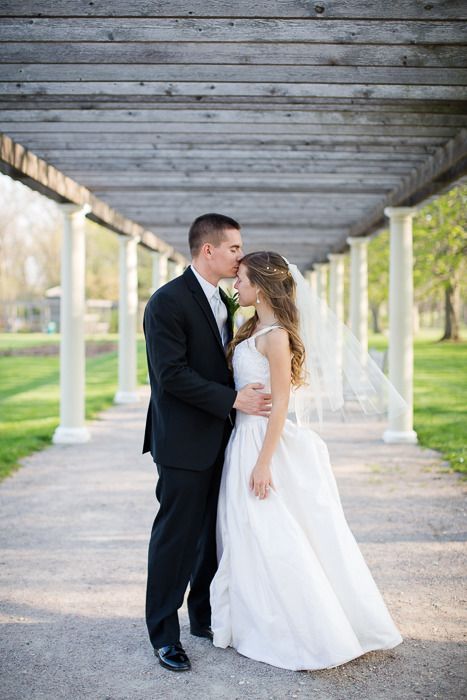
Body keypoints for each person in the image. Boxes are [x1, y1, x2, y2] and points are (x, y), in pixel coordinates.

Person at [210, 251, 403, 671]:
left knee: (272, 533)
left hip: (262, 444)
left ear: (260, 286)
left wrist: (263, 463)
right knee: (245, 532)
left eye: (241, 279)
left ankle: (306, 628)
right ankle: (250, 618)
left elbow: (281, 404)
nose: (235, 286)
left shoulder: (275, 335)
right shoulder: (252, 327)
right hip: (242, 438)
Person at [142, 214, 271, 672]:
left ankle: (203, 617)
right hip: (182, 442)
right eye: (235, 248)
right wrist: (233, 398)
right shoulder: (167, 302)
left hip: (224, 437)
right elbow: (171, 375)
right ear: (208, 251)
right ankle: (162, 634)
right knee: (176, 537)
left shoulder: (224, 299)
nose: (241, 256)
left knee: (211, 537)